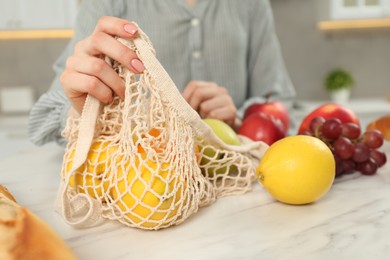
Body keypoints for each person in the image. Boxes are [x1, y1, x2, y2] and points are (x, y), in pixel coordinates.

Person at [28, 0, 296, 147]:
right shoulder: (105, 4)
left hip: (235, 193)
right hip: (139, 187)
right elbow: (46, 118)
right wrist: (84, 112)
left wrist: (240, 122)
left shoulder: (252, 5)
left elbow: (278, 99)